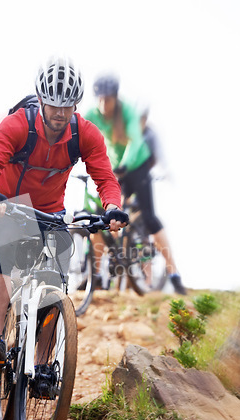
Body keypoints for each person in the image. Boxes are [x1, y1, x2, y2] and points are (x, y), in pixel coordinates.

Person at [0, 58, 128, 374]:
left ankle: (43, 366)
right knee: (2, 258)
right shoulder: (18, 125)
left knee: (54, 281)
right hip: (8, 205)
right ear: (42, 99)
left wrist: (111, 207)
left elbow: (105, 177)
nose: (60, 113)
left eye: (68, 106)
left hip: (50, 214)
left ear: (75, 104)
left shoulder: (84, 133)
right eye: (53, 105)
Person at [85, 74, 186, 295]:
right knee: (103, 216)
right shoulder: (91, 114)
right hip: (115, 168)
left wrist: (125, 164)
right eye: (100, 99)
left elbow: (134, 140)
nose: (103, 104)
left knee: (149, 218)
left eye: (108, 99)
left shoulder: (128, 111)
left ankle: (174, 273)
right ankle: (96, 274)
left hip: (136, 165)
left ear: (115, 98)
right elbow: (79, 135)